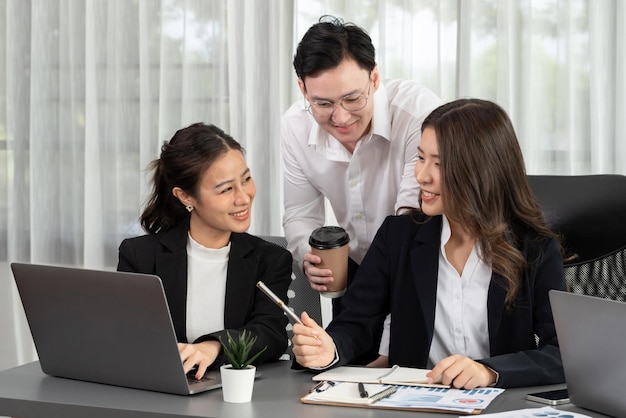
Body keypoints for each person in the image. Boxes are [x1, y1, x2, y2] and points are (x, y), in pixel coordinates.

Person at [292, 98, 567, 389]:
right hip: (414, 403)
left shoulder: (534, 248)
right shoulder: (398, 237)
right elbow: (355, 324)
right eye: (421, 158)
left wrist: (490, 372)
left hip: (498, 407)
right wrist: (329, 349)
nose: (421, 176)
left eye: (439, 163)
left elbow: (561, 353)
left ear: (481, 170)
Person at [281, 15, 441, 365]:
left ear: (375, 78)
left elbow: (412, 225)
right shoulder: (294, 126)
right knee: (344, 371)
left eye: (353, 99)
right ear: (303, 89)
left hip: (417, 263)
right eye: (322, 104)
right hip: (354, 271)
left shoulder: (418, 114)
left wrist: (388, 342)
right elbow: (299, 215)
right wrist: (310, 255)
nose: (340, 117)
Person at [117, 123, 293, 380]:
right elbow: (128, 335)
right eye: (226, 189)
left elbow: (270, 334)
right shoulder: (140, 256)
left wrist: (214, 346)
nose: (243, 198)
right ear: (186, 197)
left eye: (246, 179)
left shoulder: (271, 259)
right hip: (162, 391)